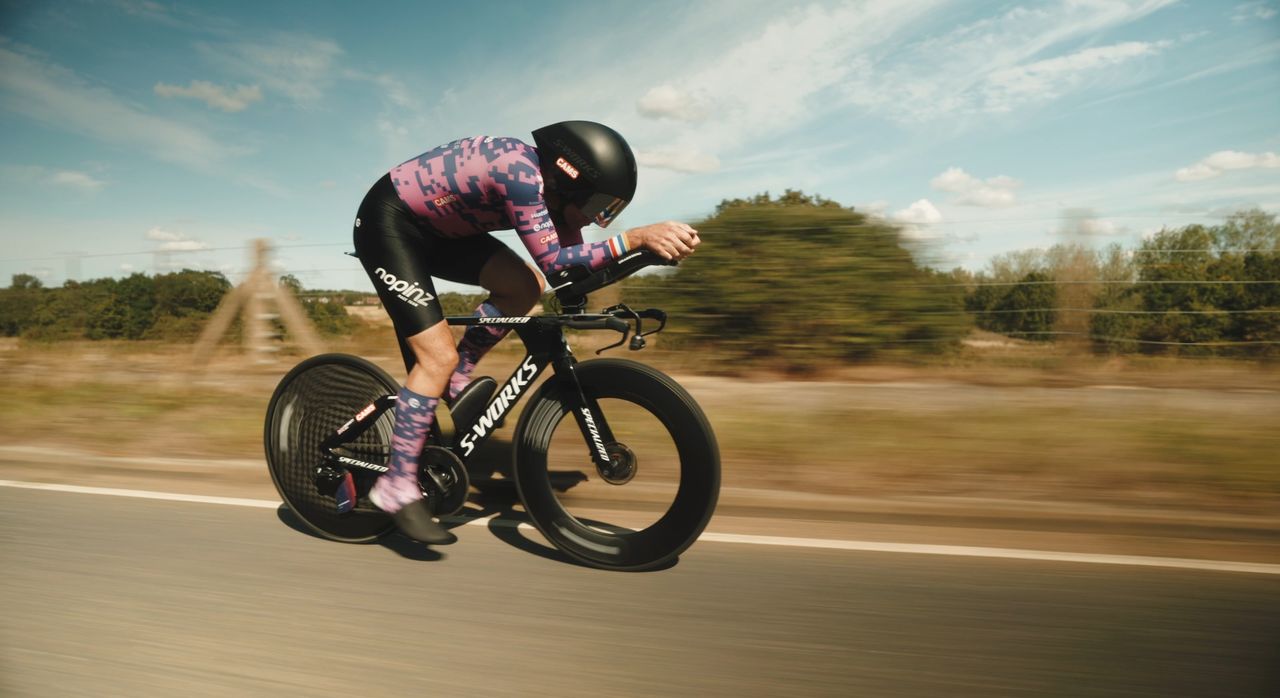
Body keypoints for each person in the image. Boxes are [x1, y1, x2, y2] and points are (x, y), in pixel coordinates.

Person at [352, 120, 700, 544]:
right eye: (597, 204)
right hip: (390, 223)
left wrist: (644, 257)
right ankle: (396, 484)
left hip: (442, 233)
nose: (595, 218)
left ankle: (457, 375)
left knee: (524, 287)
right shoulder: (517, 171)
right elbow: (557, 261)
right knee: (434, 357)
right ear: (568, 177)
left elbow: (568, 279)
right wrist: (637, 237)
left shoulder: (555, 197)